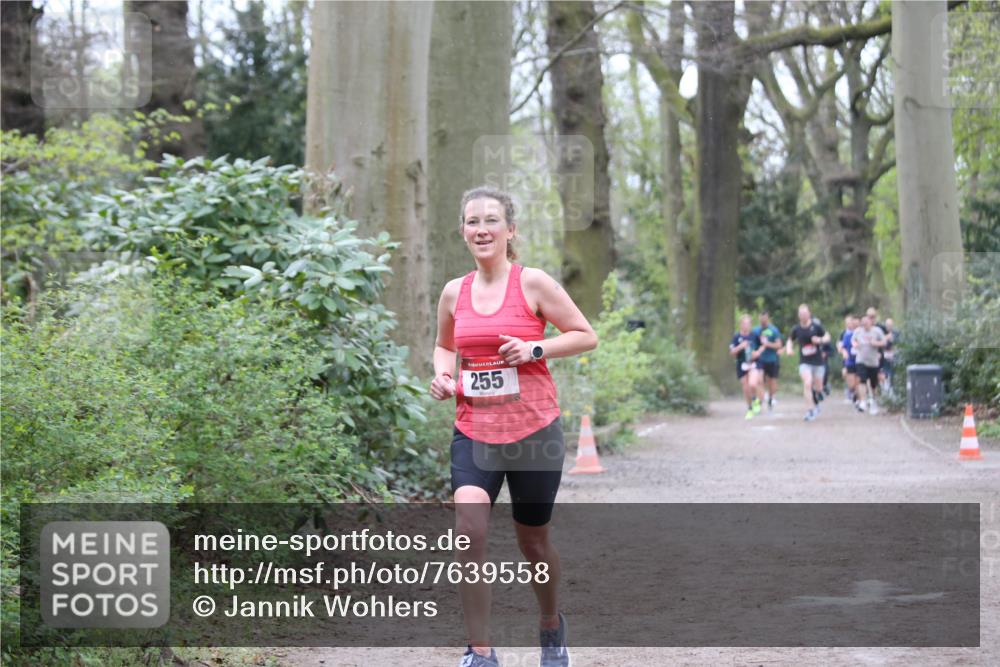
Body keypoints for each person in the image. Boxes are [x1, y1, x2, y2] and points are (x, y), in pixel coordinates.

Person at [430, 186, 597, 667]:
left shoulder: (533, 284)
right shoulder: (452, 292)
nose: (481, 229)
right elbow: (443, 345)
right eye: (472, 222)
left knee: (533, 542)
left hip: (533, 433)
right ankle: (480, 650)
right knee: (469, 530)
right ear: (463, 231)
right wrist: (442, 374)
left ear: (510, 230)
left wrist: (534, 349)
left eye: (491, 221)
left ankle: (550, 627)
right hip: (475, 431)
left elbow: (586, 335)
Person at [785, 304, 828, 422]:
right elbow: (790, 340)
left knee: (818, 387)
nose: (803, 316)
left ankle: (818, 396)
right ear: (798, 316)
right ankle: (810, 410)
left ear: (809, 314)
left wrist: (819, 340)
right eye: (801, 314)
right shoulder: (796, 329)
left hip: (818, 361)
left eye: (805, 313)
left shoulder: (816, 326)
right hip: (805, 362)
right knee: (807, 383)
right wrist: (789, 349)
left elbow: (827, 337)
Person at [852, 314, 886, 415]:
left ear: (870, 322)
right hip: (861, 360)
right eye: (863, 323)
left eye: (866, 323)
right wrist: (855, 344)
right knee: (862, 381)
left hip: (873, 362)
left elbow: (884, 342)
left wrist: (876, 343)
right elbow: (853, 340)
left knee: (873, 385)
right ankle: (863, 401)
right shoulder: (858, 331)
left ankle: (874, 402)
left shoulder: (877, 331)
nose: (864, 325)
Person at [731, 314, 762, 420]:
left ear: (751, 325)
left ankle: (755, 399)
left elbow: (763, 346)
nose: (746, 326)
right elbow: (732, 352)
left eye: (748, 324)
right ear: (740, 325)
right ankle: (750, 408)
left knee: (752, 384)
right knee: (746, 388)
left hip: (753, 363)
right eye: (744, 323)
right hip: (741, 364)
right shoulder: (736, 337)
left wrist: (757, 352)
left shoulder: (754, 335)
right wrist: (740, 346)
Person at [751, 310, 782, 411]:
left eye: (765, 318)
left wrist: (768, 344)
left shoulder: (774, 330)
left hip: (772, 359)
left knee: (772, 381)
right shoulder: (755, 331)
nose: (763, 320)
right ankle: (760, 399)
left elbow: (779, 345)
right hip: (760, 360)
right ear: (759, 318)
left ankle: (771, 398)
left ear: (768, 318)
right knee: (759, 381)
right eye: (761, 318)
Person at [837, 315, 862, 409]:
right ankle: (853, 394)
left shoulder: (860, 332)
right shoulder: (844, 334)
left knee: (859, 382)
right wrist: (843, 351)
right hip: (849, 361)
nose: (849, 324)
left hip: (860, 360)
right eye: (847, 323)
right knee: (852, 384)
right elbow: (840, 346)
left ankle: (860, 401)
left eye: (850, 322)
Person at [879, 317, 897, 394]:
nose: (889, 326)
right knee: (883, 372)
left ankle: (892, 389)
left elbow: (898, 343)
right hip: (883, 355)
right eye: (887, 325)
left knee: (892, 373)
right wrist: (886, 338)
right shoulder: (882, 333)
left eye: (890, 325)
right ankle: (884, 390)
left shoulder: (896, 333)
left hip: (893, 355)